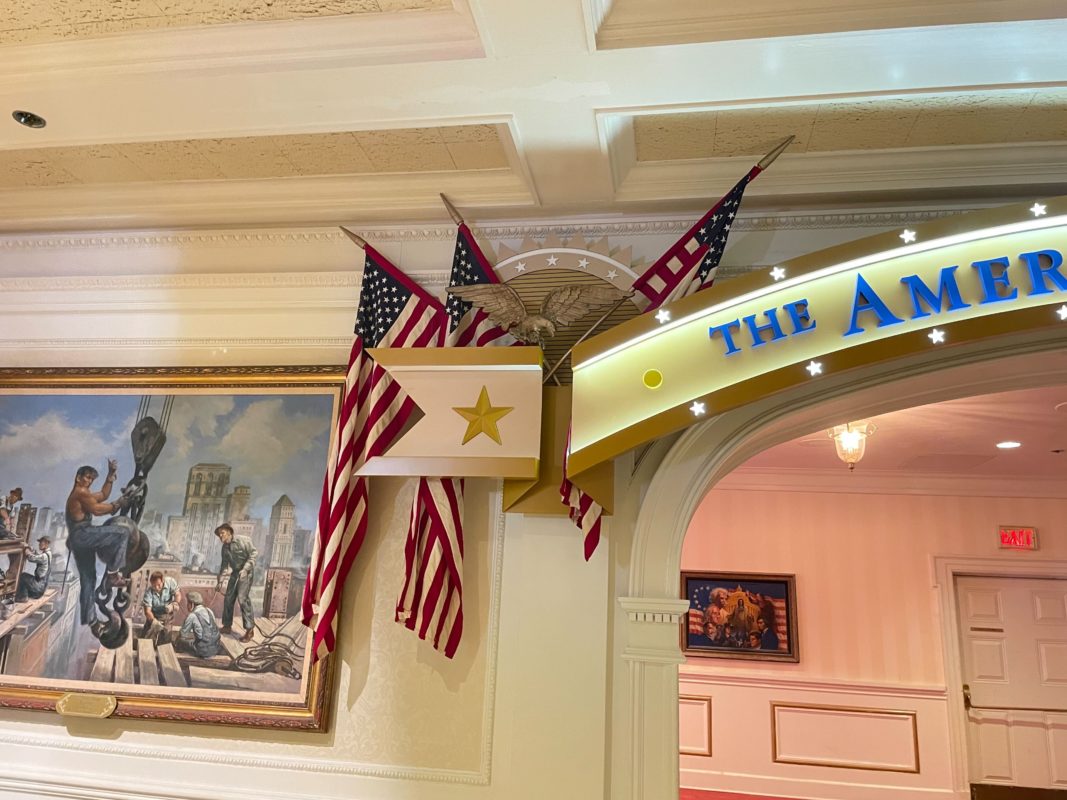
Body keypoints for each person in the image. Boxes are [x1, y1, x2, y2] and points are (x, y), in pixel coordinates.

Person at [66, 461, 132, 625]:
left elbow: (103, 495)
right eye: (87, 477)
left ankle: (90, 620)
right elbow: (96, 509)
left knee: (88, 579)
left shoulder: (83, 494)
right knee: (123, 533)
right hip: (83, 534)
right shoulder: (80, 492)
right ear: (78, 478)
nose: (89, 481)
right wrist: (118, 504)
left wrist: (110, 477)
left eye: (91, 479)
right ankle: (112, 575)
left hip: (78, 539)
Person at [214, 523, 257, 643]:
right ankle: (227, 626)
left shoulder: (244, 540)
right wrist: (220, 582)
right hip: (235, 573)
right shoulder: (224, 548)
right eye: (219, 534)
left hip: (246, 573)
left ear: (229, 532)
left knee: (242, 599)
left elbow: (253, 554)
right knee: (228, 598)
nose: (220, 536)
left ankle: (249, 630)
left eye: (222, 533)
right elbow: (224, 566)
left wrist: (246, 569)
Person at [176, 591, 221, 658]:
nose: (187, 606)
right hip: (215, 648)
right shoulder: (209, 611)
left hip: (202, 651)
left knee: (180, 641)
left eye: (188, 603)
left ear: (192, 604)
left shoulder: (192, 616)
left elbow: (183, 634)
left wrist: (178, 641)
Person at [140, 570, 181, 642]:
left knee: (166, 640)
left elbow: (177, 594)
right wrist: (154, 623)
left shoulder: (170, 582)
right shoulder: (148, 593)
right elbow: (147, 611)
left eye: (159, 585)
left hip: (168, 616)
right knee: (145, 638)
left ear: (163, 581)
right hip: (154, 616)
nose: (156, 587)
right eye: (154, 585)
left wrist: (175, 604)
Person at [16, 536, 52, 601]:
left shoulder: (44, 556)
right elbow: (39, 556)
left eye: (41, 542)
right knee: (25, 576)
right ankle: (23, 596)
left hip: (38, 588)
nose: (39, 544)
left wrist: (27, 551)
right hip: (41, 586)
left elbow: (31, 558)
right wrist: (32, 549)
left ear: (46, 543)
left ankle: (23, 598)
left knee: (23, 576)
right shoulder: (48, 553)